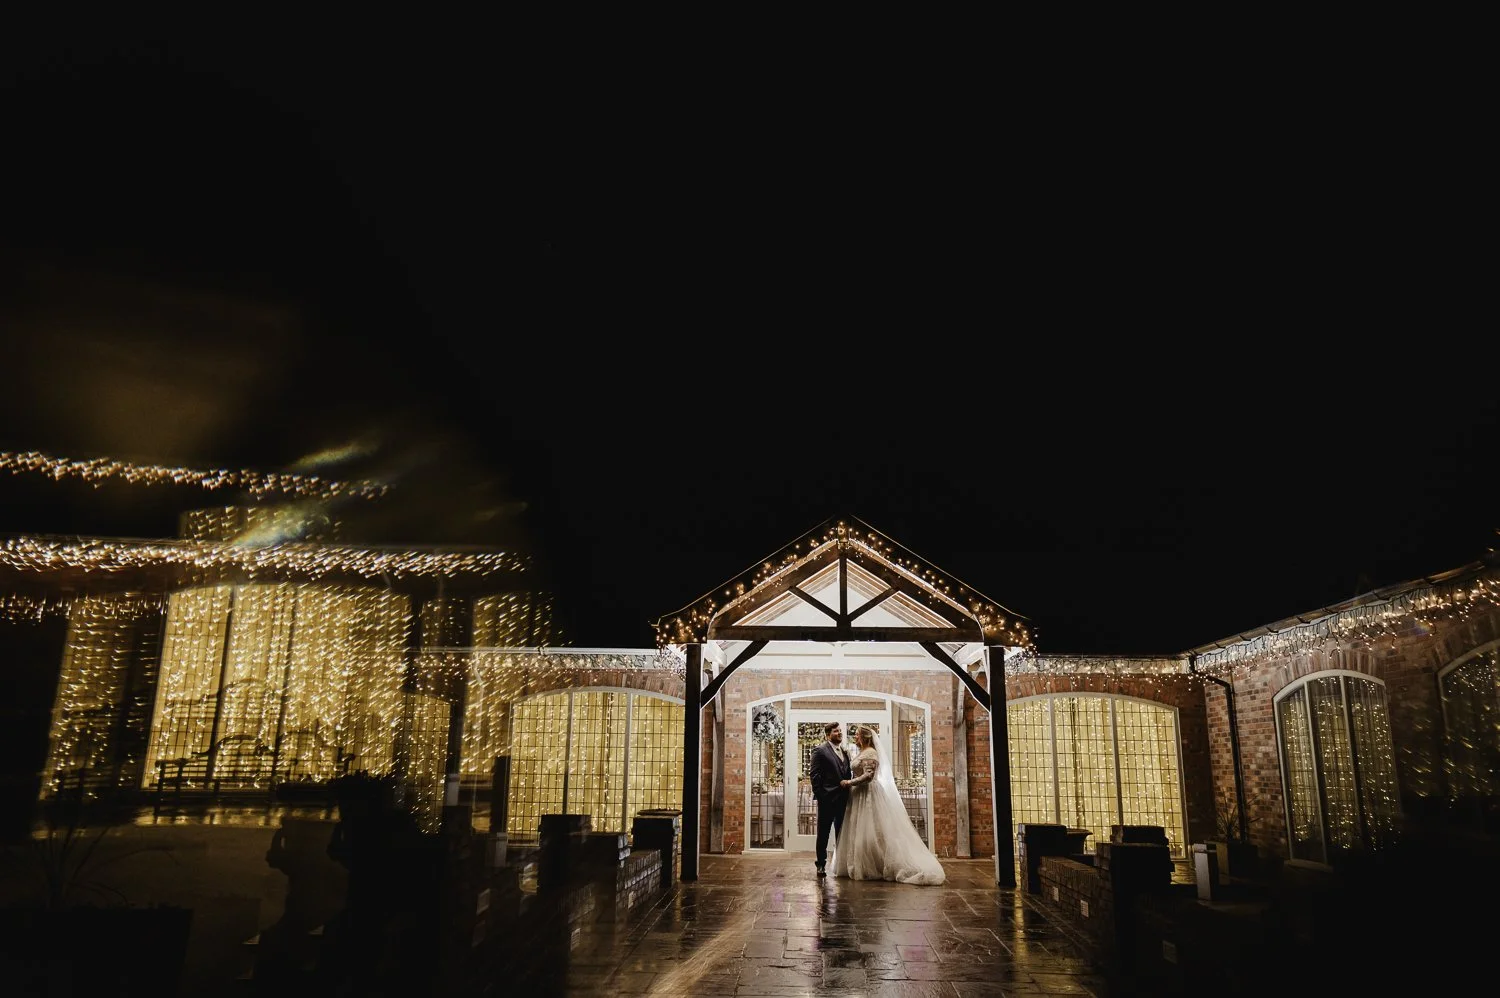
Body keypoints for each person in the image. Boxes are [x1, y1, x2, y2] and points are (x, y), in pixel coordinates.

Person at [830, 725, 946, 884]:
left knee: (872, 830)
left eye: (857, 735)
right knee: (858, 830)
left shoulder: (871, 753)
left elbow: (869, 776)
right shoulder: (862, 752)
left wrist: (849, 782)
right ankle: (858, 863)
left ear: (864, 737)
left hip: (868, 794)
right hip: (857, 795)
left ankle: (876, 864)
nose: (855, 737)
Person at [808, 720, 851, 877]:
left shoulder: (844, 751)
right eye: (835, 731)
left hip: (843, 800)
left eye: (840, 730)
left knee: (842, 832)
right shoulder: (820, 750)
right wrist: (821, 795)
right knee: (823, 833)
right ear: (828, 735)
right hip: (827, 799)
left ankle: (841, 864)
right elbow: (814, 775)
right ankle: (821, 864)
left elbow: (847, 773)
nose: (839, 733)